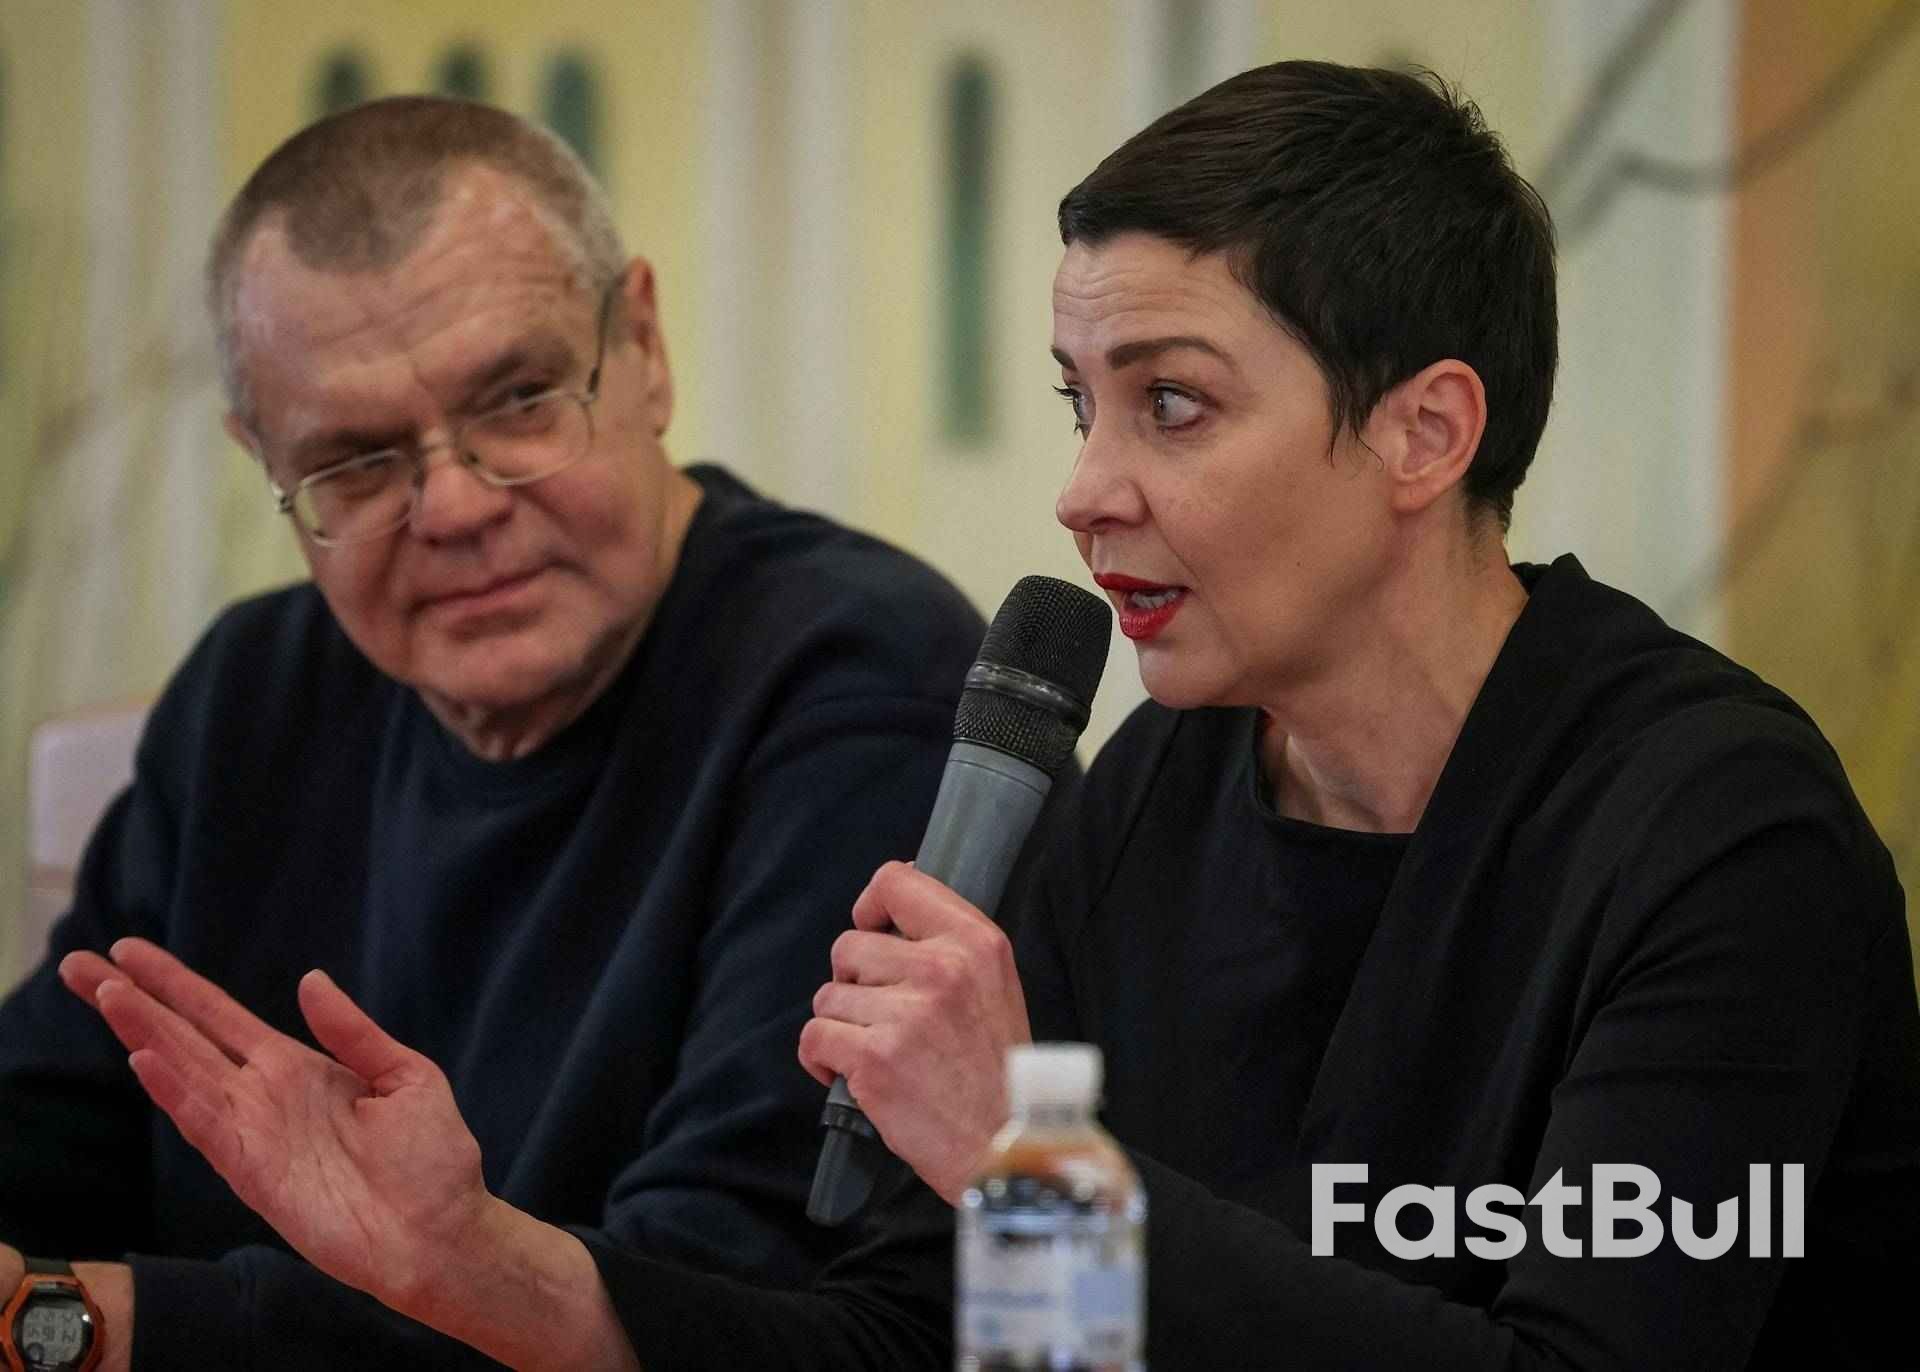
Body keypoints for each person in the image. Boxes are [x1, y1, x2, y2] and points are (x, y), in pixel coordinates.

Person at [53, 61, 1920, 1371]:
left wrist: (1036, 1170)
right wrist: (478, 1266)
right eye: (1078, 405)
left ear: (1425, 431)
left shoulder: (1717, 836)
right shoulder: (1157, 789)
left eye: (1172, 404)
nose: (1086, 491)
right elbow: (946, 1344)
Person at [0, 95, 988, 1371]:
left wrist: (84, 1328)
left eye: (518, 400)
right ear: (265, 459)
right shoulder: (255, 689)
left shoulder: (864, 685)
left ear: (643, 346)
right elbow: (47, 1123)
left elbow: (714, 1299)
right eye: (357, 462)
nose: (456, 507)